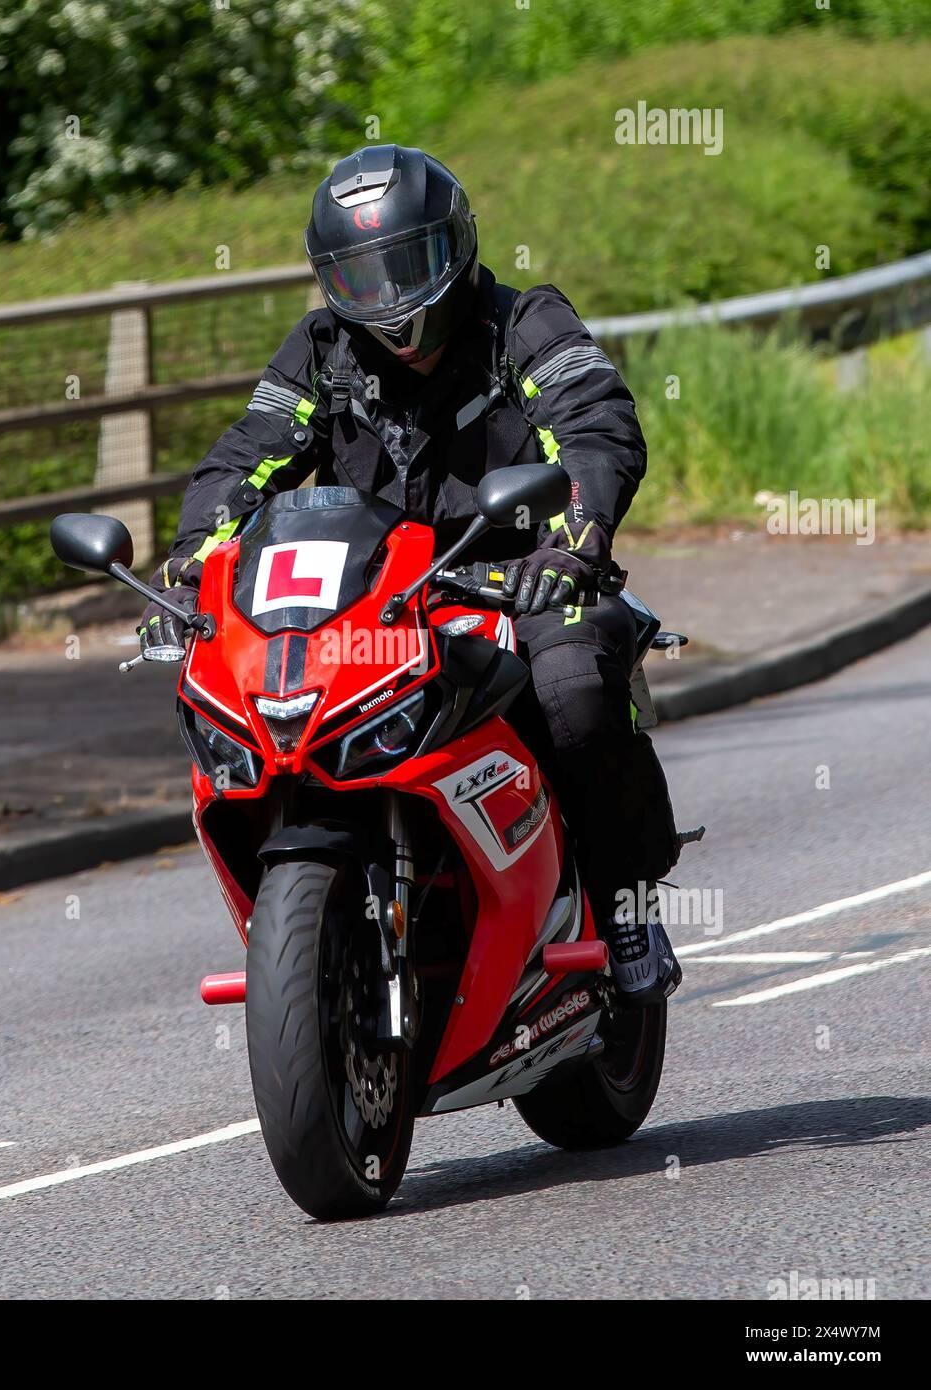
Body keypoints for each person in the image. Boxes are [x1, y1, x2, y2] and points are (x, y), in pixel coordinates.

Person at [139, 144, 681, 1003]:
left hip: (519, 578)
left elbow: (596, 425)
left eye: (408, 266)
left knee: (575, 690)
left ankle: (623, 901)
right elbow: (247, 460)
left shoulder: (524, 323)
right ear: (330, 282)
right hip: (374, 599)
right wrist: (189, 567)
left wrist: (576, 542)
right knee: (260, 714)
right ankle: (325, 930)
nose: (390, 302)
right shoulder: (323, 349)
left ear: (456, 244)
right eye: (361, 279)